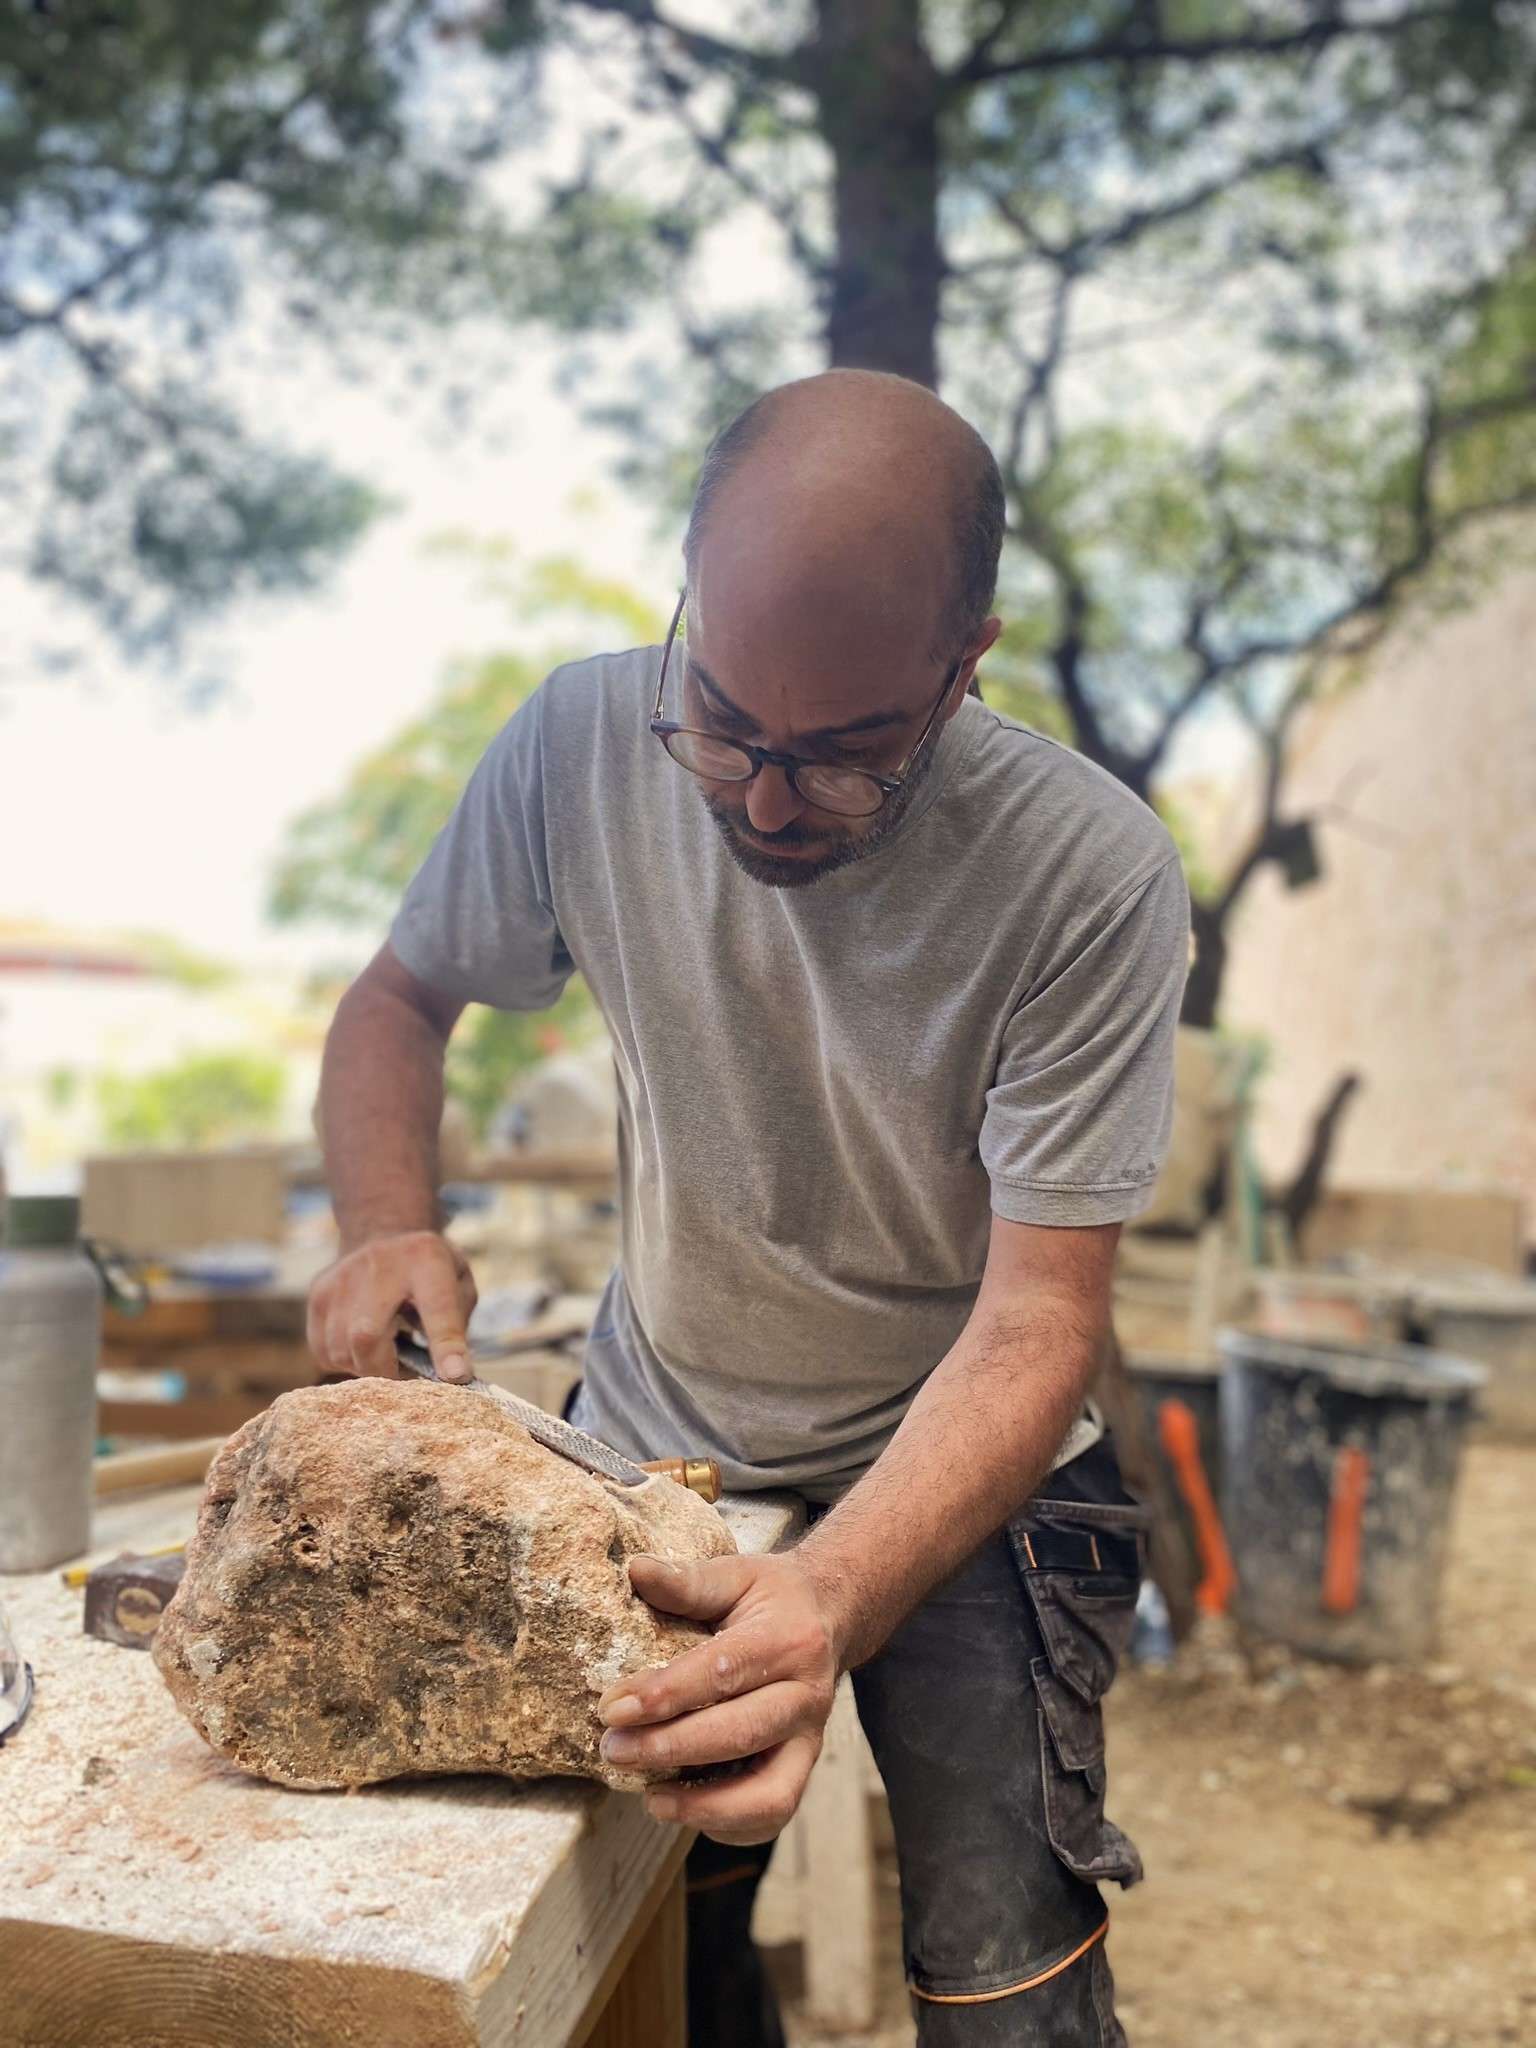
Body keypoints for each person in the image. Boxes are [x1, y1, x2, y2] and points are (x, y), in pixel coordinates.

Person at [310, 369, 1189, 2046]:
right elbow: (395, 1002)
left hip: (968, 1462)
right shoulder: (579, 737)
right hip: (656, 1442)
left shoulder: (1092, 873)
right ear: (686, 611)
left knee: (1009, 1994)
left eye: (847, 754)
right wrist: (381, 1220)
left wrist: (839, 1594)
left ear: (963, 667)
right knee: (652, 1956)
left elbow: (1040, 1325)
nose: (765, 801)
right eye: (720, 723)